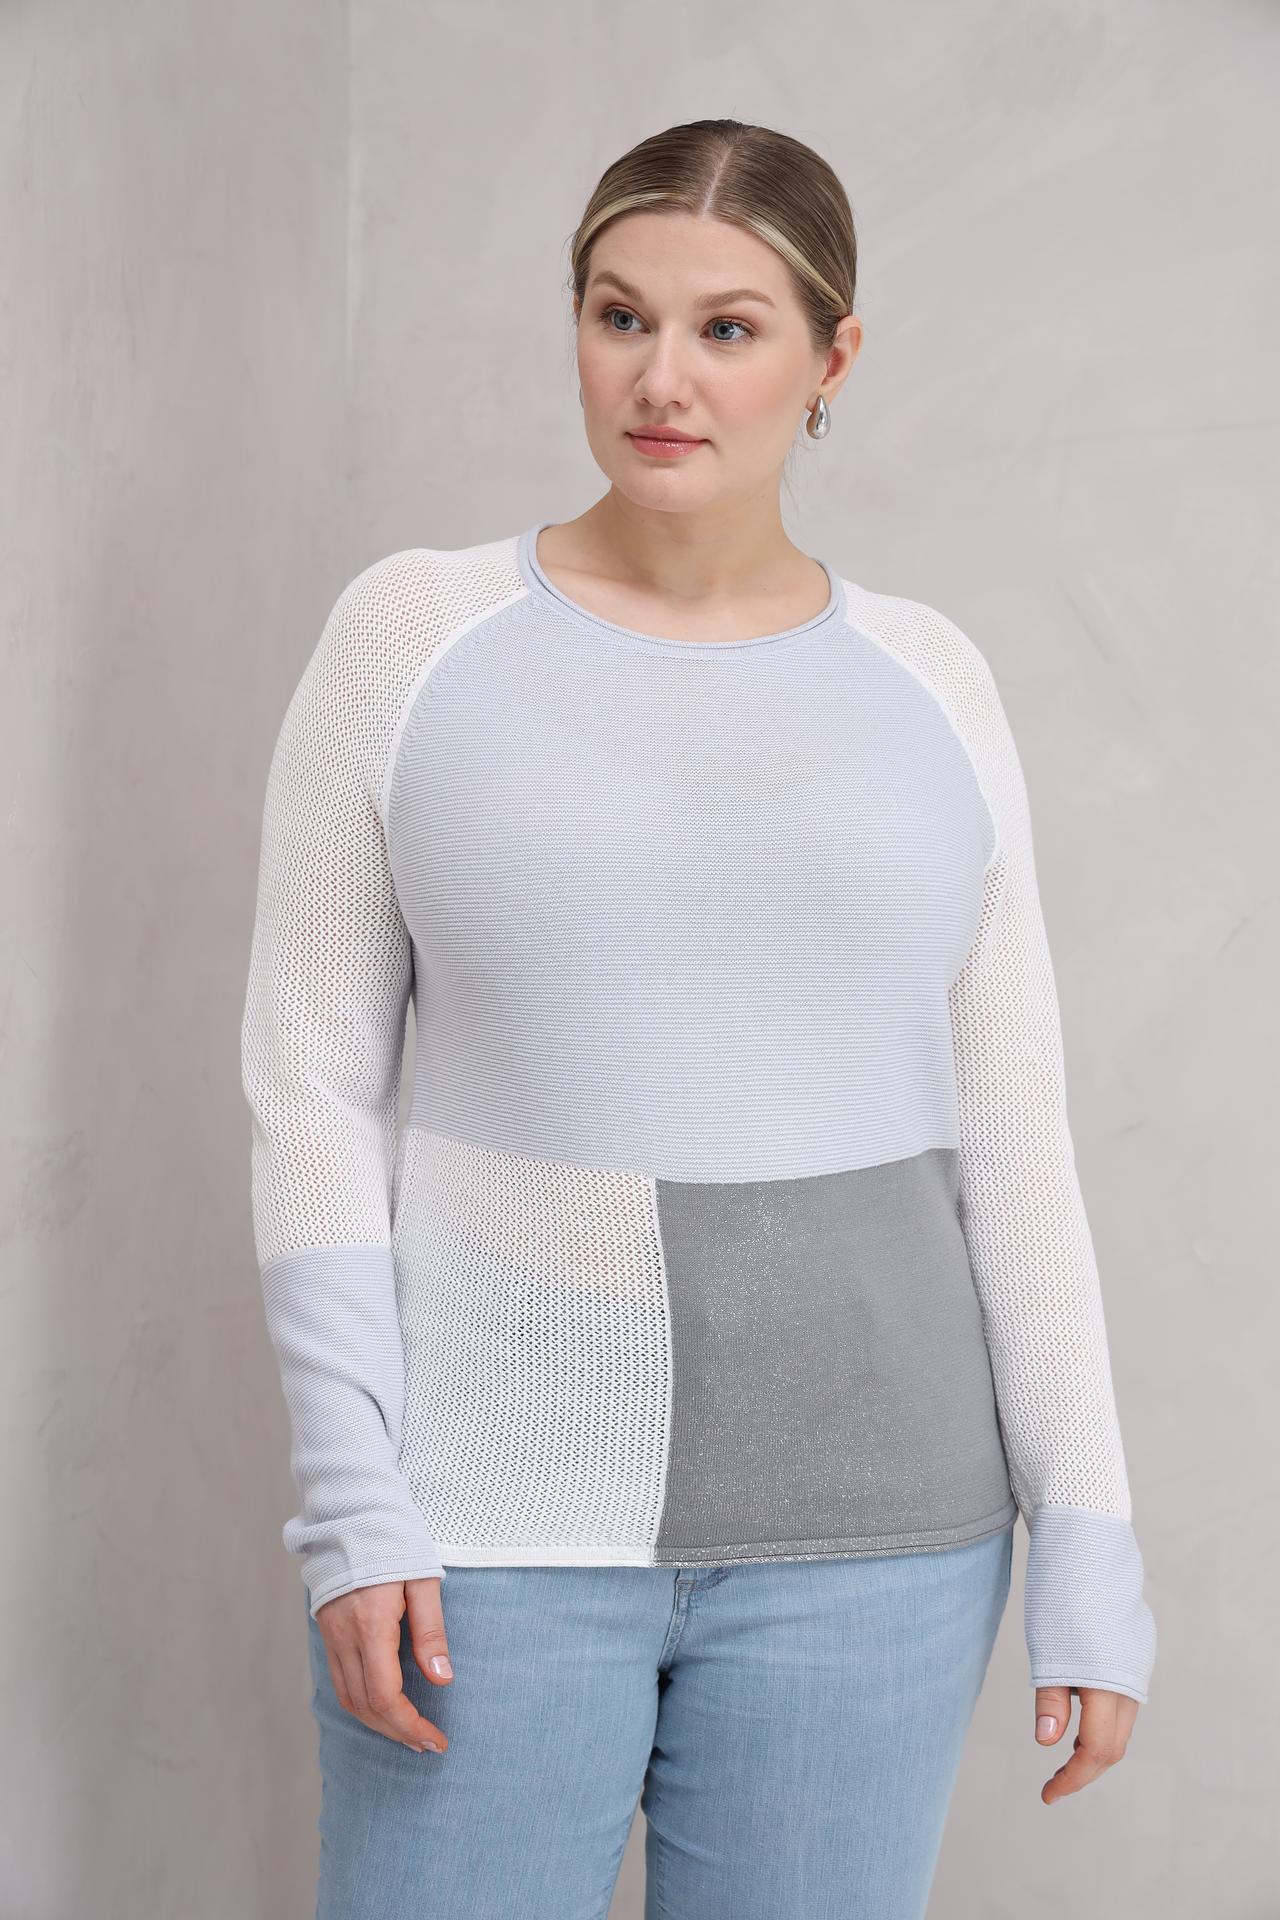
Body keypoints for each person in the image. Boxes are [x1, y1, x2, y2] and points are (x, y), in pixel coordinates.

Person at [239, 117, 1156, 1919]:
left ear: (833, 358)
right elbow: (310, 1087)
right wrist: (353, 1502)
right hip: (482, 1526)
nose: (662, 379)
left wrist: (1090, 1536)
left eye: (728, 328)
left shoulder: (930, 680)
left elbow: (1016, 1142)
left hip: (884, 1541)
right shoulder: (409, 638)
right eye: (619, 316)